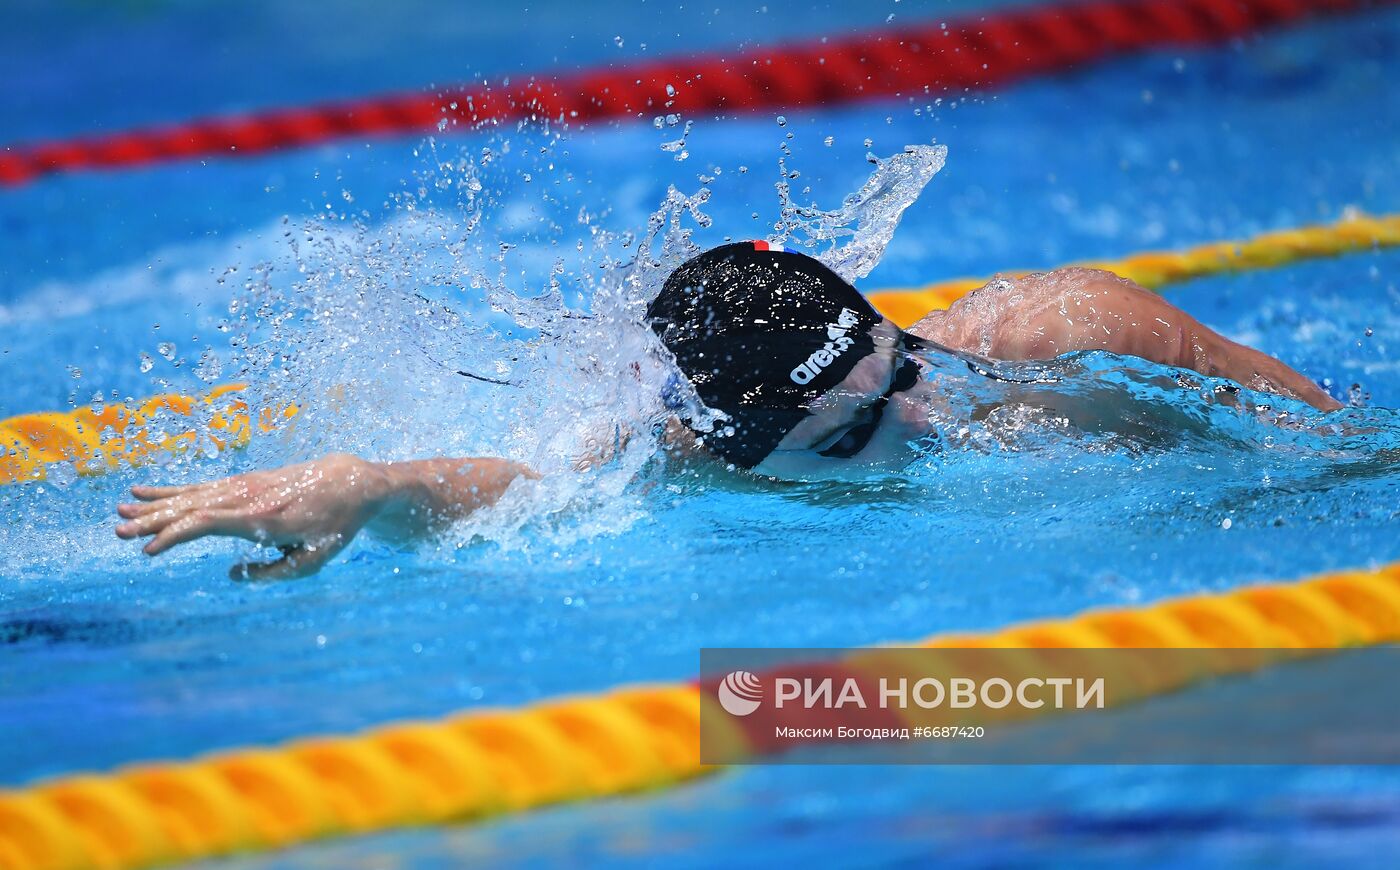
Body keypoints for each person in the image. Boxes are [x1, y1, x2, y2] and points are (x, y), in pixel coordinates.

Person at [114, 241, 1340, 579]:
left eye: (900, 372)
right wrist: (368, 486)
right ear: (738, 452)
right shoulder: (696, 456)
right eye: (849, 439)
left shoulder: (1072, 341)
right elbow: (525, 497)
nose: (920, 421)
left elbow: (1342, 452)